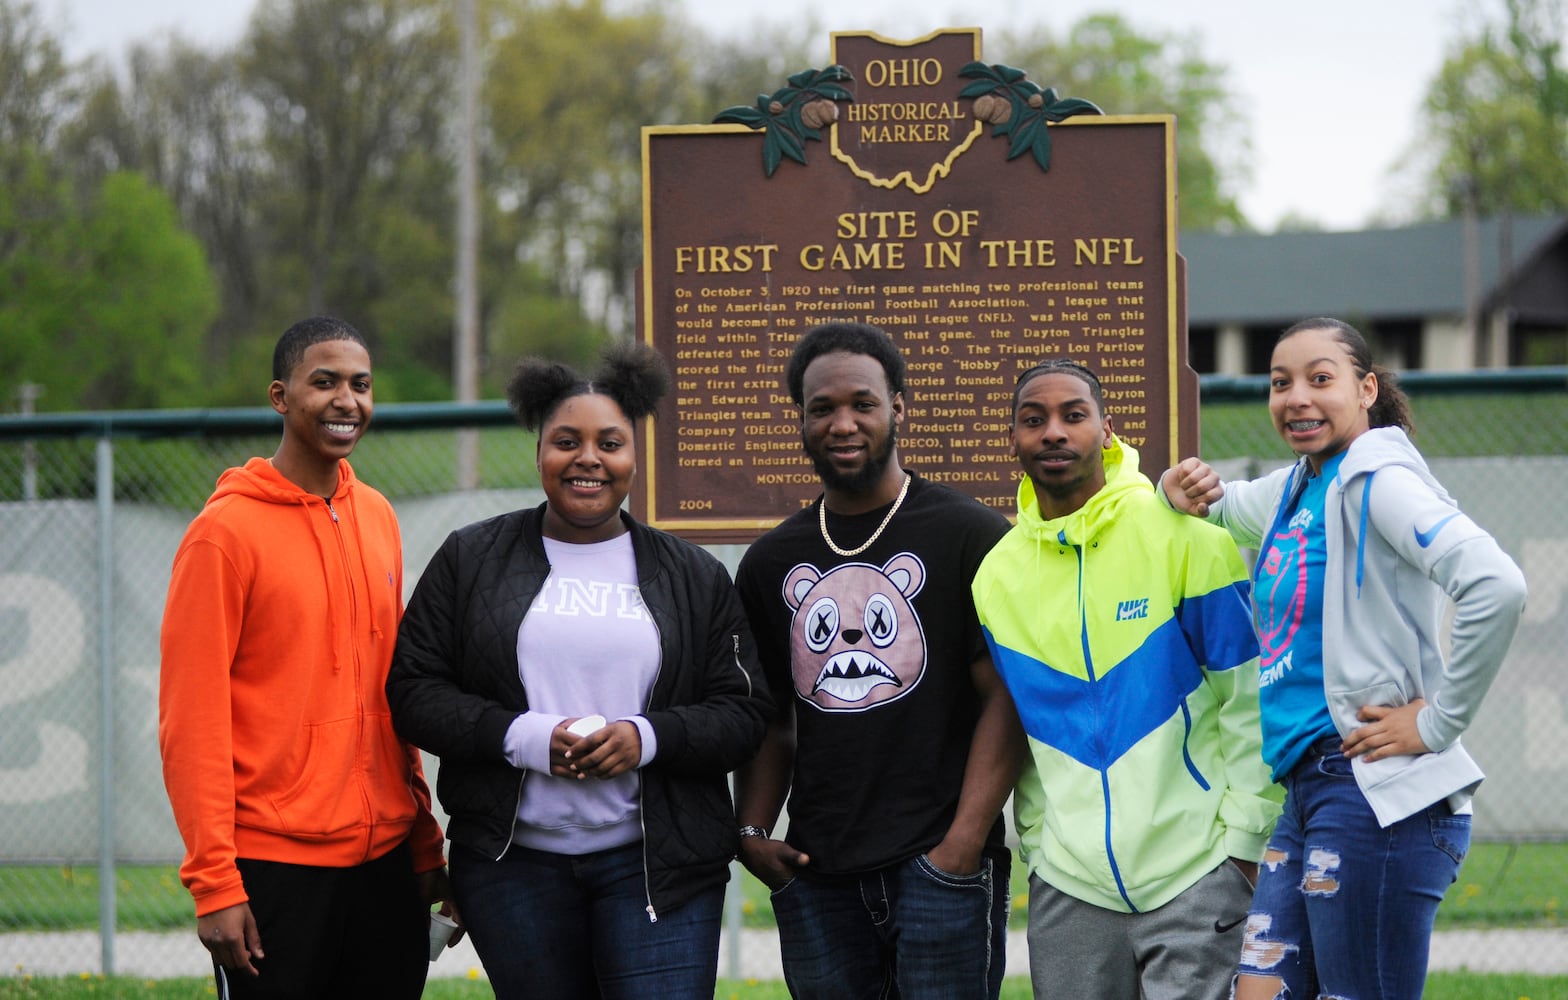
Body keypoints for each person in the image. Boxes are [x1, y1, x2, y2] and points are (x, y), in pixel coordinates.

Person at [385, 341, 771, 999]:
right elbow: (414, 690)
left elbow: (742, 711)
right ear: (539, 454)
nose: (588, 458)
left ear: (633, 458)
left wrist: (645, 739)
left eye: (610, 443)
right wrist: (527, 739)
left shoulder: (693, 575)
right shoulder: (470, 559)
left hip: (659, 867)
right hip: (512, 868)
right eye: (567, 441)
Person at [1161, 317, 1529, 999]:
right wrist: (1174, 492)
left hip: (1372, 797)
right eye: (1280, 383)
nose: (1296, 397)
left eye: (1320, 379)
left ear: (1365, 390)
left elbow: (1495, 584)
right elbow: (1218, 508)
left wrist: (1439, 721)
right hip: (1307, 791)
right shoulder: (1298, 487)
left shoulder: (1379, 482)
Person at [158, 316, 453, 999]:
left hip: (383, 862)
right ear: (280, 397)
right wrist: (214, 884)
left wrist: (421, 838)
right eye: (324, 382)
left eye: (360, 383)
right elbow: (190, 723)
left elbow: (389, 701)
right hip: (273, 869)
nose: (346, 400)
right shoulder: (223, 534)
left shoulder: (377, 515)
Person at [970, 357, 1281, 1000]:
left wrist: (1242, 845)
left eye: (1073, 415)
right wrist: (1042, 847)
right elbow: (1026, 728)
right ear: (1014, 441)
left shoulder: (1186, 536)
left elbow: (1247, 696)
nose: (1053, 432)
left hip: (1199, 869)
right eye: (1034, 420)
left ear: (1107, 431)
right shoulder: (994, 577)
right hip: (1069, 885)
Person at [733, 321, 1023, 999]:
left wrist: (961, 846)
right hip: (815, 868)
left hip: (940, 865)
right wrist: (750, 831)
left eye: (862, 403)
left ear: (899, 406)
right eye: (821, 408)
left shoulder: (969, 534)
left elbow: (1006, 701)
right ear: (799, 421)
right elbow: (772, 717)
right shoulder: (772, 561)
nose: (843, 423)